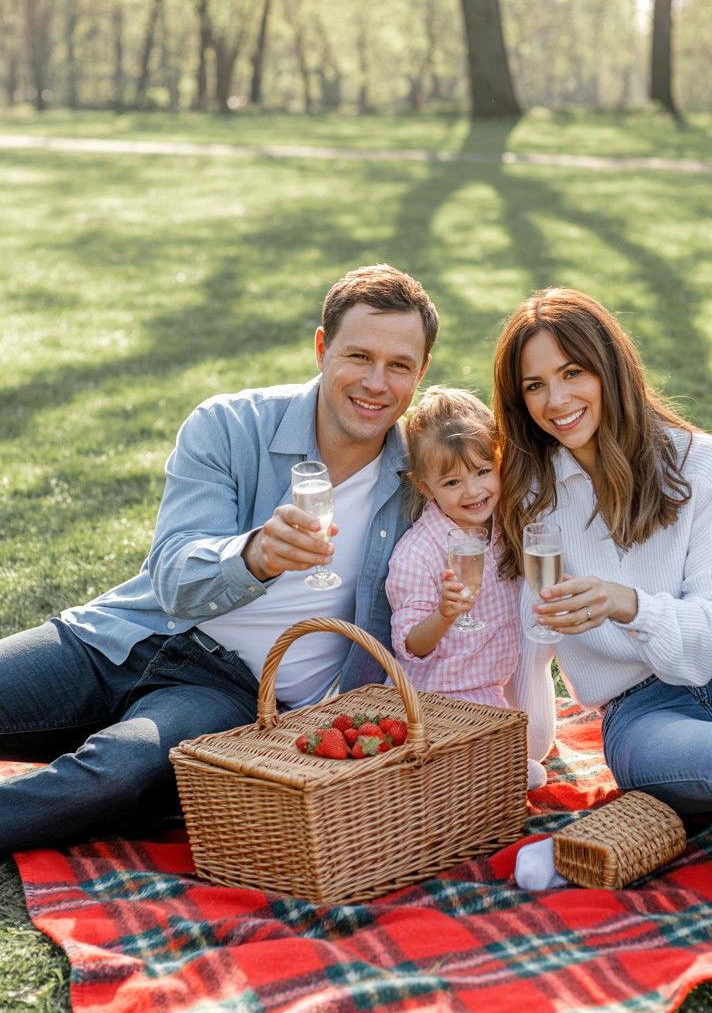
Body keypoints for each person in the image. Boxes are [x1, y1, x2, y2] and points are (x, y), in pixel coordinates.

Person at [0, 264, 437, 855]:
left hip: (226, 692)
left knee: (119, 775)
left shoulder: (425, 476)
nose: (376, 383)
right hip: (126, 637)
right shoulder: (228, 425)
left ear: (421, 374)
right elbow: (175, 576)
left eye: (399, 366)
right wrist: (255, 555)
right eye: (359, 356)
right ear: (320, 349)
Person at [492, 286, 712, 873]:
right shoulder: (531, 496)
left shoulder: (703, 464)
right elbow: (526, 634)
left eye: (573, 372)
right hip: (639, 715)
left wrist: (631, 606)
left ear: (609, 367)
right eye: (534, 385)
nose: (557, 399)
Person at [385, 386, 555, 789]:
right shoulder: (418, 554)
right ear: (425, 487)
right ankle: (473, 771)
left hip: (502, 687)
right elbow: (411, 646)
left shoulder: (504, 528)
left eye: (483, 471)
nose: (474, 492)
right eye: (452, 482)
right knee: (518, 769)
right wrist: (445, 613)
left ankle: (494, 764)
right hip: (446, 697)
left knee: (536, 747)